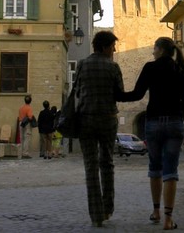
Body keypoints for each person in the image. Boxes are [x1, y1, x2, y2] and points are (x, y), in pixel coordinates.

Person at [116, 37, 184, 231]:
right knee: (171, 171)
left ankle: (156, 211)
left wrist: (116, 95)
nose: (152, 52)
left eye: (154, 49)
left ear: (159, 50)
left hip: (154, 122)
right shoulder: (182, 70)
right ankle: (168, 219)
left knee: (155, 168)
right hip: (175, 122)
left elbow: (137, 94)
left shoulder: (150, 68)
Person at [75, 31, 125, 228]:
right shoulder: (113, 67)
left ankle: (95, 214)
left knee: (90, 166)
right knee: (107, 162)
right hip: (107, 119)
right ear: (105, 47)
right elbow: (119, 94)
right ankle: (107, 208)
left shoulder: (81, 65)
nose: (114, 49)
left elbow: (78, 91)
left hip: (85, 119)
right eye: (113, 46)